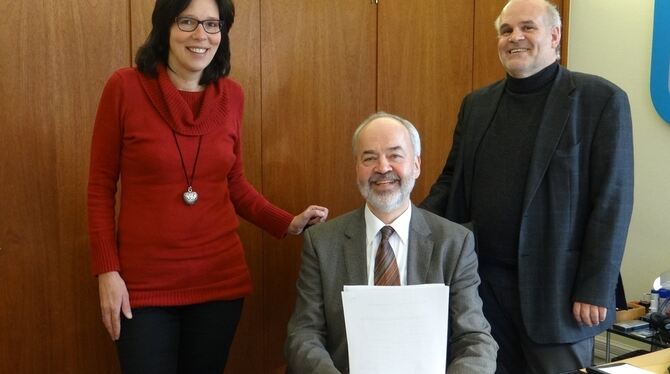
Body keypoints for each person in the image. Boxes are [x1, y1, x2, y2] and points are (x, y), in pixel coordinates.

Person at [87, 0, 328, 372]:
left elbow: (235, 184)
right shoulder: (125, 87)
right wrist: (107, 271)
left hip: (219, 283)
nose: (201, 35)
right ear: (165, 26)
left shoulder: (232, 96)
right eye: (188, 21)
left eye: (213, 25)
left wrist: (287, 222)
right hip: (142, 288)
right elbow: (100, 188)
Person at [420, 0, 634, 372]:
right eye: (506, 30)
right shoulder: (477, 105)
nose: (515, 37)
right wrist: (405, 227)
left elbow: (612, 200)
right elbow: (451, 183)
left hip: (560, 291)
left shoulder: (600, 100)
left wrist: (594, 286)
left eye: (527, 28)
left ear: (554, 36)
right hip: (482, 287)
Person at [284, 112, 498, 373]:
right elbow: (304, 334)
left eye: (395, 155)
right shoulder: (322, 243)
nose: (382, 168)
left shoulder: (454, 243)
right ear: (357, 169)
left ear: (416, 165)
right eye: (369, 158)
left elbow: (476, 339)